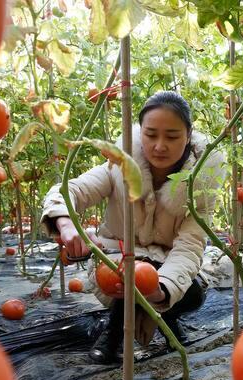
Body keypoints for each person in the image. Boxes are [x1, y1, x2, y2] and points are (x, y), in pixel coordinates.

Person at [40, 91, 226, 363]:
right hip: (116, 264)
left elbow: (189, 247)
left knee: (191, 292)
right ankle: (116, 333)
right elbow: (71, 190)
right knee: (129, 274)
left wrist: (162, 289)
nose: (160, 145)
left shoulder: (201, 187)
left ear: (188, 135)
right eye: (151, 135)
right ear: (140, 134)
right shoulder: (117, 168)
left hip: (166, 268)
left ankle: (163, 315)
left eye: (172, 136)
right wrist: (66, 223)